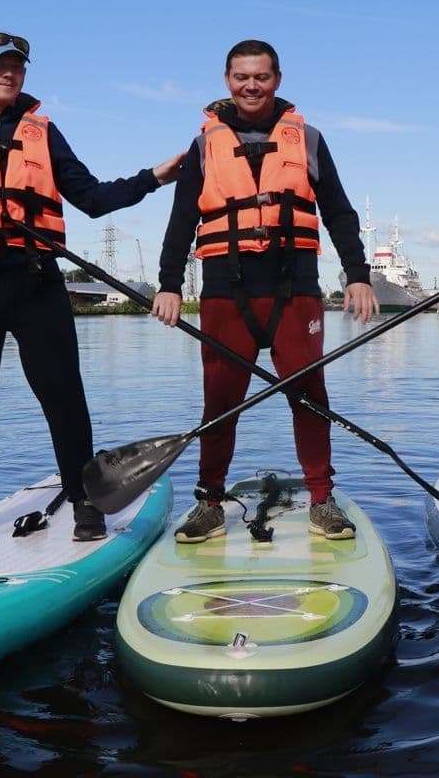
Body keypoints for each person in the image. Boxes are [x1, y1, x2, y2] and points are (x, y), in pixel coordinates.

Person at [0, 31, 185, 545]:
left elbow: (92, 197)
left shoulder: (45, 134)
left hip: (36, 283)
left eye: (17, 66)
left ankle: (84, 498)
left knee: (63, 395)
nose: (8, 73)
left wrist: (153, 177)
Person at [152, 39, 378, 542]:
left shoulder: (309, 139)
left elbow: (339, 211)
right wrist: (169, 283)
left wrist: (358, 273)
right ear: (227, 81)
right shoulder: (204, 145)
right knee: (221, 401)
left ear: (277, 79)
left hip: (295, 287)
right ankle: (210, 502)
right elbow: (182, 217)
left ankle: (322, 500)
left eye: (261, 76)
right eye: (241, 77)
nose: (251, 86)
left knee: (309, 395)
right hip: (224, 291)